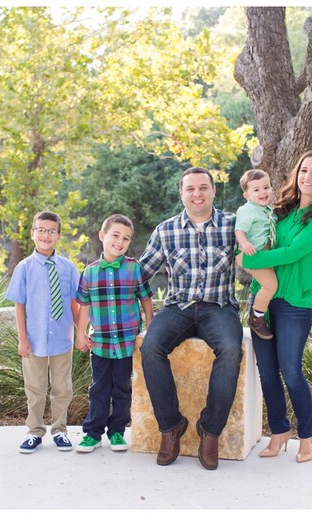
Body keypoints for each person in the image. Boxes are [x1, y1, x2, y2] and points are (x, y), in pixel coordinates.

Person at [238, 150, 312, 463]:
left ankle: (306, 437)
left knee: (292, 372)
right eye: (304, 171)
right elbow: (254, 230)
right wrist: (241, 244)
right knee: (268, 374)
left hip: (295, 303)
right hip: (264, 300)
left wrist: (248, 260)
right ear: (296, 175)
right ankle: (279, 432)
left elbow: (293, 253)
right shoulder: (280, 211)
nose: (307, 177)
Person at [138, 166, 243, 470]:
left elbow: (257, 260)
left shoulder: (233, 226)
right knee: (151, 347)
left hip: (219, 306)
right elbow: (141, 274)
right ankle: (171, 426)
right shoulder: (166, 230)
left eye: (202, 188)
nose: (196, 194)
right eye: (190, 189)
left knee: (230, 350)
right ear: (181, 193)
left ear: (213, 191)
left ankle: (209, 431)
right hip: (177, 307)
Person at [74, 214, 154, 453]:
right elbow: (84, 306)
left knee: (122, 387)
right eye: (115, 235)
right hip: (99, 342)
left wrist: (150, 324)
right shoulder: (89, 272)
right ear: (102, 235)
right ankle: (92, 433)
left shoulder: (133, 268)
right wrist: (80, 333)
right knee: (99, 387)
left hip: (127, 342)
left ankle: (118, 431)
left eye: (126, 238)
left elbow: (146, 298)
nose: (120, 242)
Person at [6, 210, 81, 454]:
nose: (45, 235)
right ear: (32, 233)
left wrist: (81, 332)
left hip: (62, 339)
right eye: (41, 230)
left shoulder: (69, 268)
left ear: (58, 236)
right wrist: (22, 339)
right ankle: (34, 431)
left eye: (51, 231)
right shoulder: (24, 268)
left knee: (62, 388)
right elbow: (20, 305)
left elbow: (74, 304)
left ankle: (60, 431)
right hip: (34, 340)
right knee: (35, 389)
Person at [234, 169, 278, 340]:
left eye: (266, 187)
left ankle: (261, 311)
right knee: (270, 285)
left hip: (262, 254)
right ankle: (257, 317)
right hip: (250, 254)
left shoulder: (266, 210)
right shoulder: (248, 210)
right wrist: (244, 243)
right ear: (247, 195)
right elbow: (240, 230)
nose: (263, 192)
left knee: (268, 283)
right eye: (256, 190)